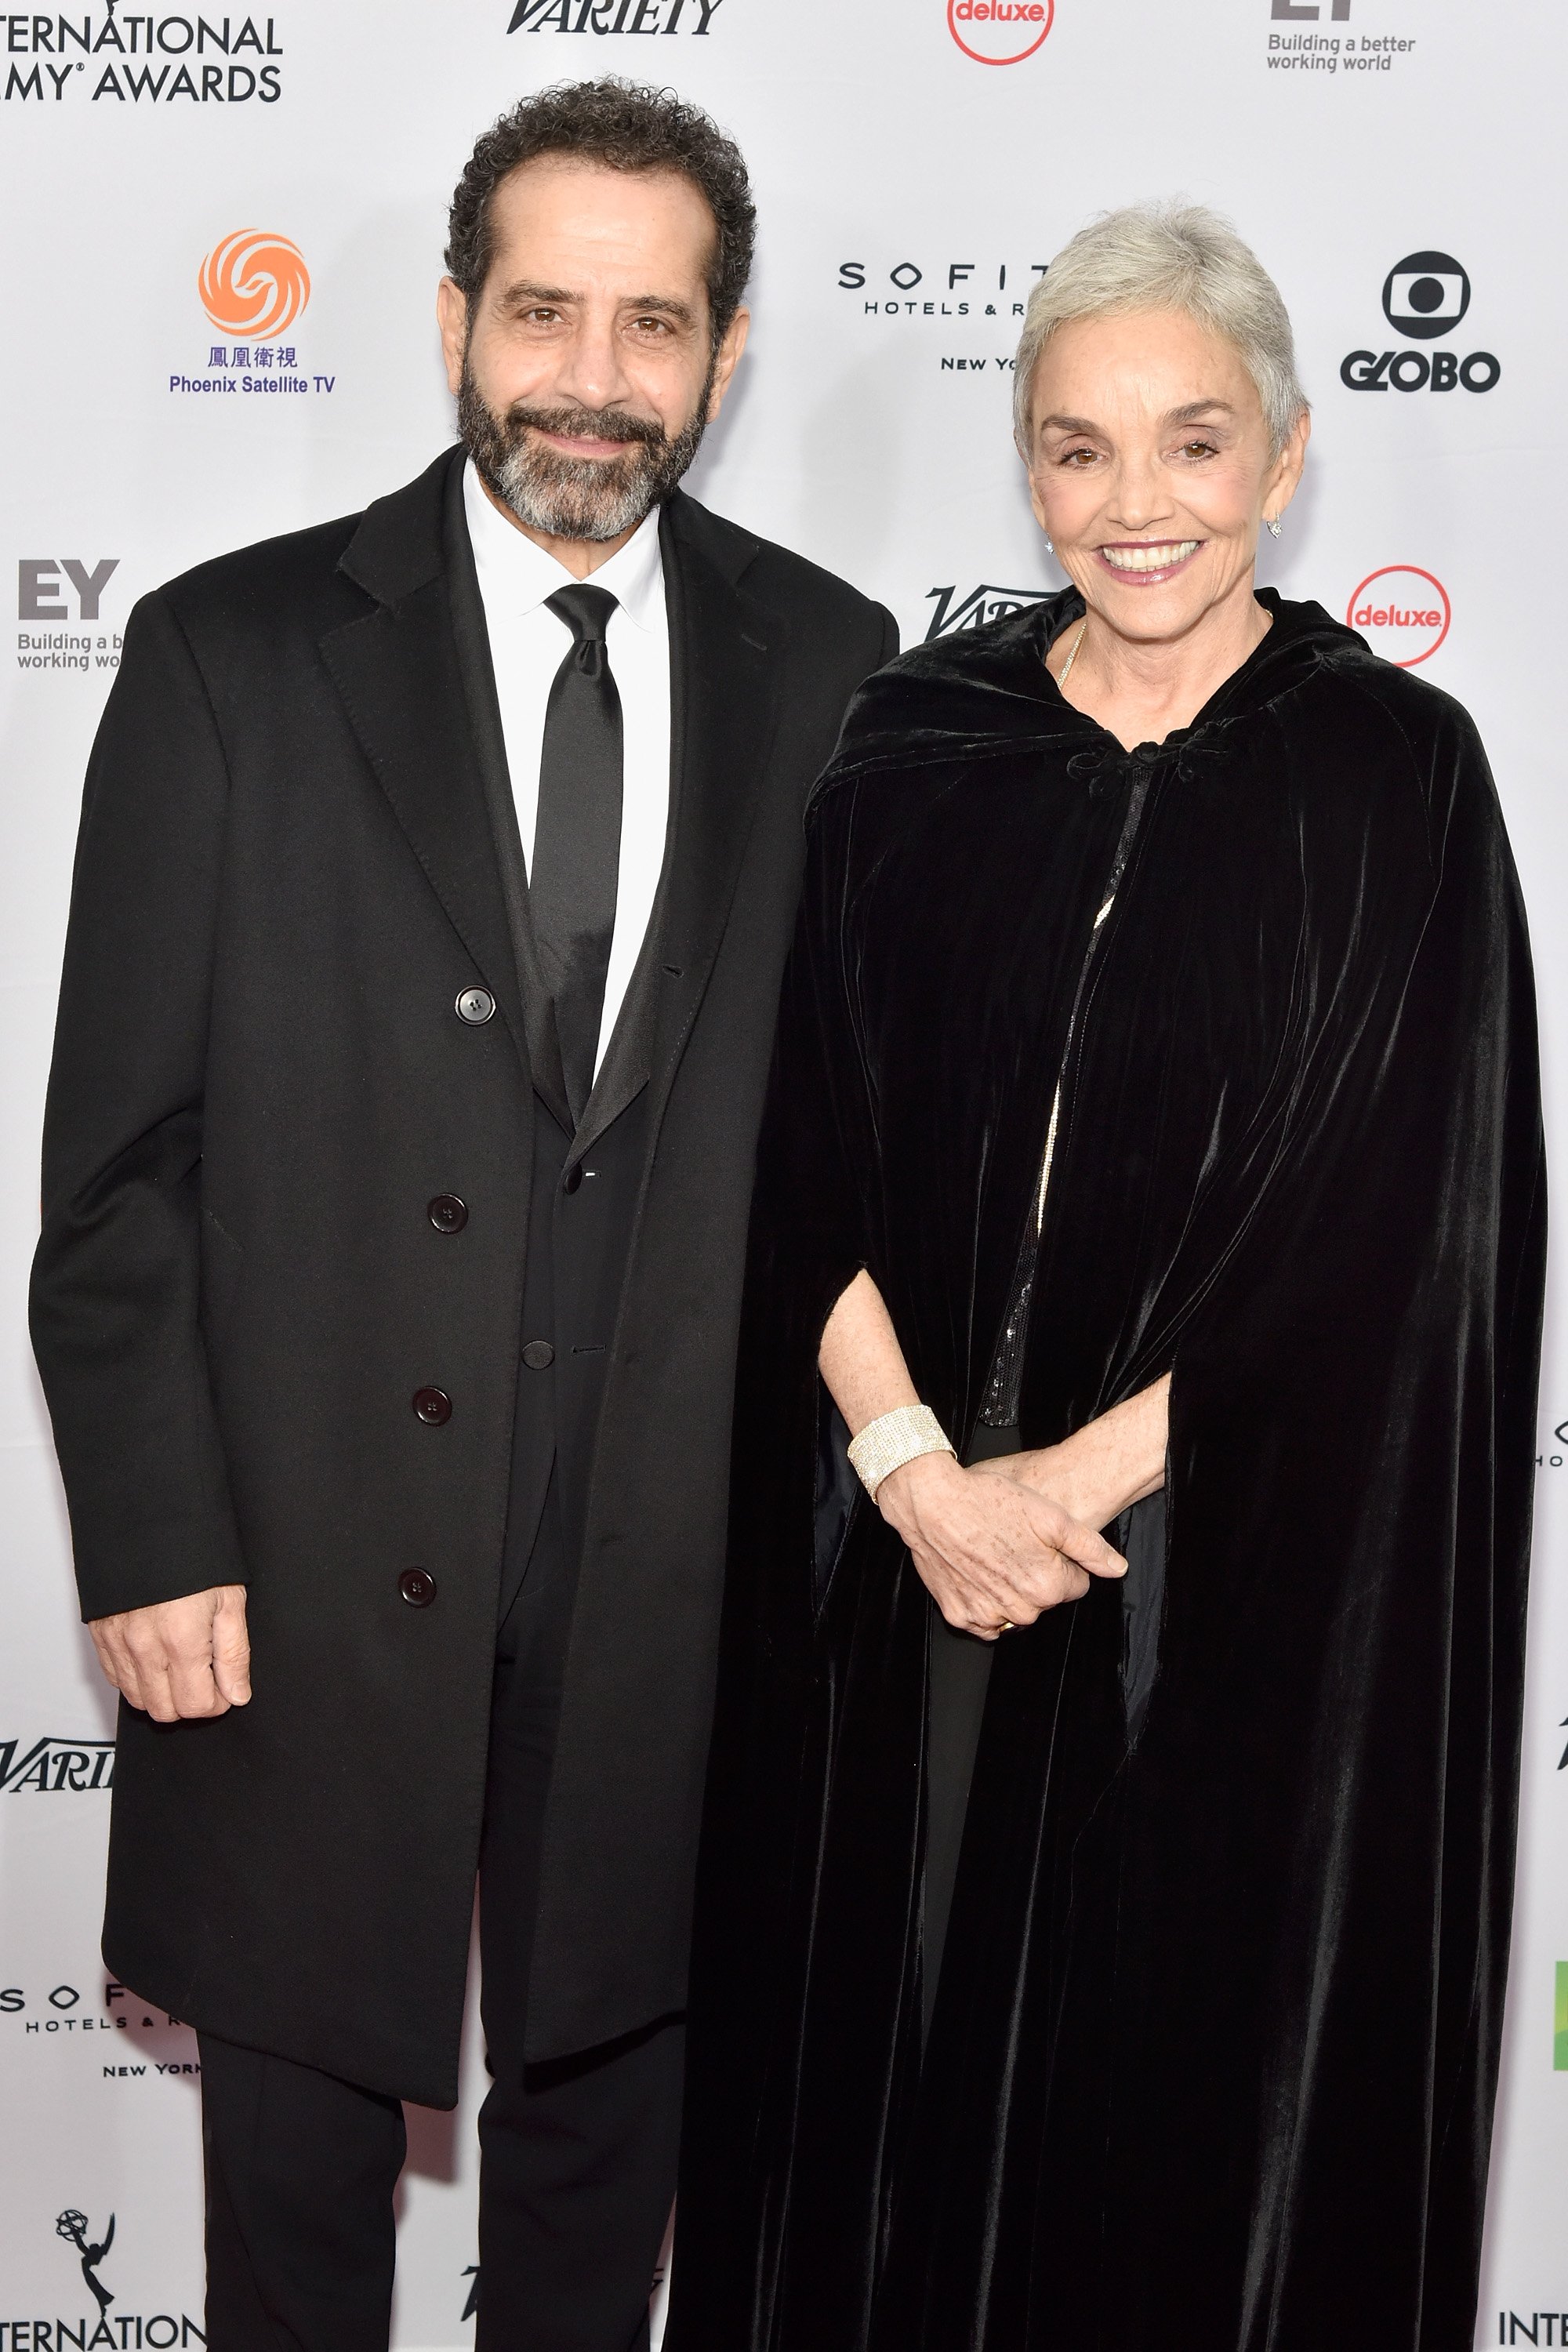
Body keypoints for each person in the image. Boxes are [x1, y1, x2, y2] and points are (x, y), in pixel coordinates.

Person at [30, 78, 896, 2352]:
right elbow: (119, 1170)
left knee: (612, 2172)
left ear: (721, 352)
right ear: (449, 322)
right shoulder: (234, 655)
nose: (592, 381)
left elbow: (867, 1154)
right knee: (294, 2186)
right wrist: (150, 1534)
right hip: (298, 1569)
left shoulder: (847, 671)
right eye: (543, 312)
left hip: (678, 1580)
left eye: (652, 323)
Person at [670, 203, 1544, 2351]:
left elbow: (1405, 1229)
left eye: (1190, 444)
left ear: (1287, 455)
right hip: (899, 1574)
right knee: (875, 2101)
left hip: (1208, 1593)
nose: (1135, 506)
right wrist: (913, 1475)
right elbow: (784, 1153)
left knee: (1154, 2142)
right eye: (1079, 450)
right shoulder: (904, 747)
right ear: (1027, 464)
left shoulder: (1393, 777)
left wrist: (1056, 1493)